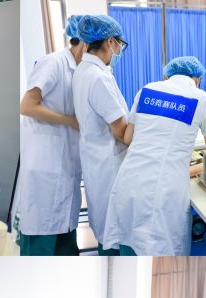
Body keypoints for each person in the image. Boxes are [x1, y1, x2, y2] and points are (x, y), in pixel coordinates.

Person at [103, 56, 206, 256]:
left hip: (129, 180)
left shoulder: (147, 90)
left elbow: (128, 137)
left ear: (167, 75)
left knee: (128, 242)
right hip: (163, 188)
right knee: (161, 251)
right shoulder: (203, 98)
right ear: (198, 79)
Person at [17, 15, 85, 256]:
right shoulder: (53, 62)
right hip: (44, 166)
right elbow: (27, 106)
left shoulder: (81, 71)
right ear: (85, 42)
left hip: (65, 165)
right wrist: (70, 121)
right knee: (41, 243)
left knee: (65, 236)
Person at [71, 14, 130, 255]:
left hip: (98, 162)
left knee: (107, 230)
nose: (119, 49)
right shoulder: (98, 78)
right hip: (110, 165)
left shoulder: (83, 71)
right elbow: (122, 132)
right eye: (119, 43)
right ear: (110, 42)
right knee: (114, 235)